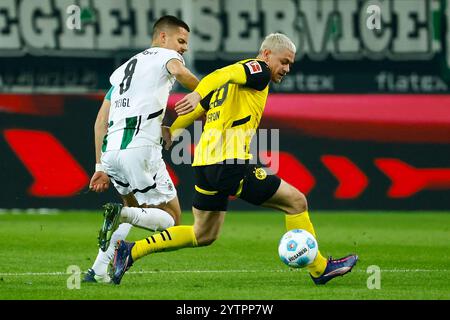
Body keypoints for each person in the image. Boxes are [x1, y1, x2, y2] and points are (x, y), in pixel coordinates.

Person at [110, 33, 358, 285]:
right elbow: (219, 76)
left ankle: (130, 251)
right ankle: (320, 268)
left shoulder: (232, 85)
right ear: (266, 54)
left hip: (205, 165)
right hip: (229, 163)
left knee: (203, 233)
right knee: (296, 202)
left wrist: (173, 130)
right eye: (283, 62)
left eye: (290, 64)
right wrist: (196, 94)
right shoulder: (258, 69)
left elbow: (200, 107)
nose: (286, 69)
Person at [83, 15, 200, 283]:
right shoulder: (165, 56)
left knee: (135, 210)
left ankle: (97, 271)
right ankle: (120, 214)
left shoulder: (124, 70)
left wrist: (100, 167)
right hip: (141, 150)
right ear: (162, 37)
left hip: (112, 152)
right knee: (171, 218)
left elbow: (100, 121)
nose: (184, 48)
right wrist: (208, 93)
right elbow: (181, 73)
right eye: (181, 41)